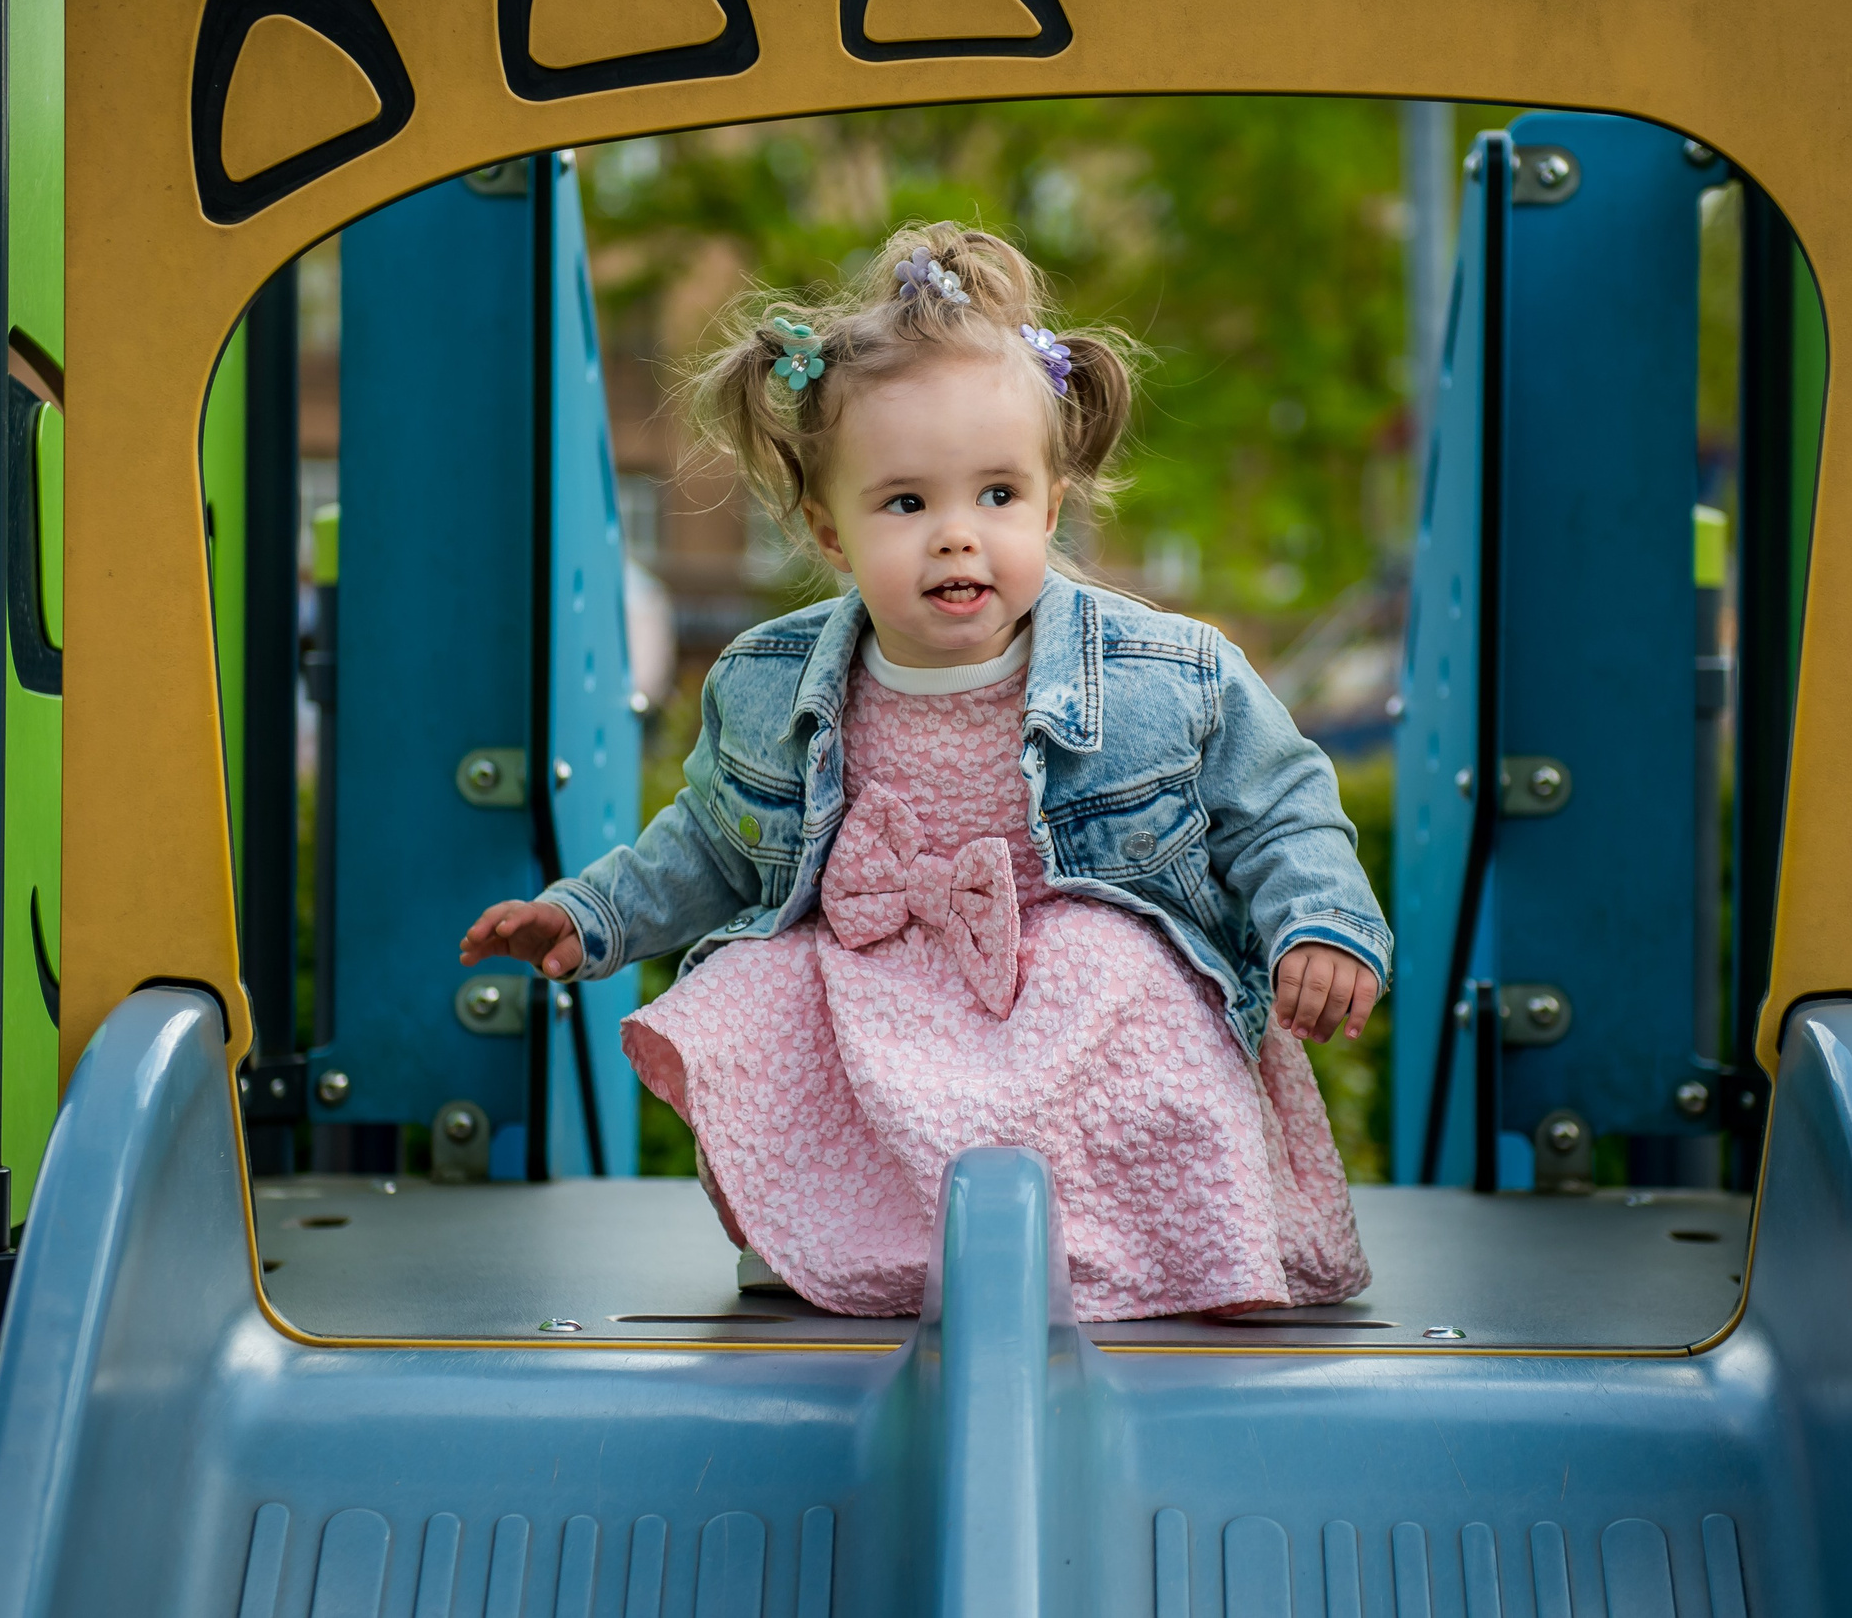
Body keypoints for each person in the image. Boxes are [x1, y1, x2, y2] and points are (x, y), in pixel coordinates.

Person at [460, 222, 1391, 1321]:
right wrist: (590, 914)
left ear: (1051, 506)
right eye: (907, 503)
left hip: (1067, 966)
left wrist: (1319, 922)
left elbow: (1279, 808)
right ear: (832, 532)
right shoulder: (772, 680)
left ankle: (1149, 1247)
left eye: (996, 495)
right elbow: (710, 840)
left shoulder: (1164, 671)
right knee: (758, 981)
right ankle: (836, 1242)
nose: (958, 535)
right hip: (874, 971)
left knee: (1120, 974)